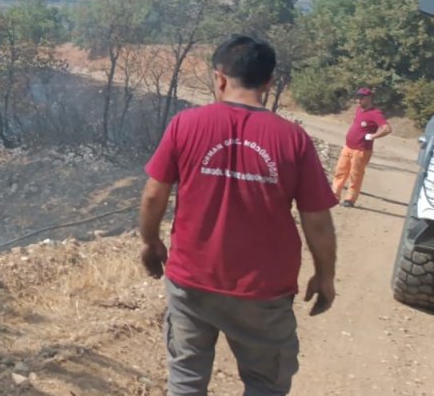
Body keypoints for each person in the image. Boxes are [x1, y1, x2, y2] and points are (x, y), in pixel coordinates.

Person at [139, 35, 338, 396]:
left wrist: (151, 242)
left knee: (186, 380)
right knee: (265, 385)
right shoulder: (293, 139)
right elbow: (318, 219)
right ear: (268, 83)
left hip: (192, 283)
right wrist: (325, 276)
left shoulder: (186, 124)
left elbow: (154, 194)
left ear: (219, 78)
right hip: (263, 292)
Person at [331, 87, 391, 208]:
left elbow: (387, 129)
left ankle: (350, 199)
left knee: (355, 174)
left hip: (361, 150)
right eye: (358, 98)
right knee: (340, 171)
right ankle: (334, 195)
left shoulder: (375, 113)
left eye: (362, 98)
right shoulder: (359, 110)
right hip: (348, 147)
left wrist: (373, 136)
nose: (359, 100)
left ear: (369, 98)